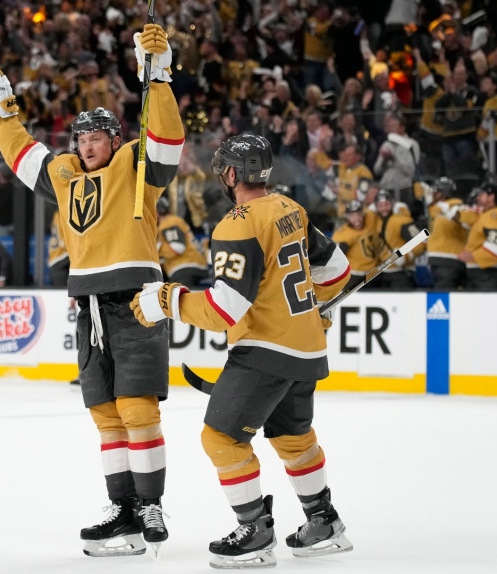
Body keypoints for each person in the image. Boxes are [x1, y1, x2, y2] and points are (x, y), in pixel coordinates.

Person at [0, 23, 182, 557]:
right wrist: (2, 110)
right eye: (81, 139)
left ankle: (152, 504)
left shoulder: (137, 166)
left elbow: (167, 139)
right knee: (105, 414)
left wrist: (156, 77)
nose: (87, 146)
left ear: (115, 139)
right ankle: (125, 511)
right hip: (88, 305)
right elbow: (21, 154)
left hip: (137, 300)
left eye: (97, 138)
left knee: (137, 407)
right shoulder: (64, 173)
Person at [130, 134, 353, 569]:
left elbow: (224, 310)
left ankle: (255, 531)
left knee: (221, 438)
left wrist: (166, 301)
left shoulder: (237, 223)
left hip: (263, 350)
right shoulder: (292, 210)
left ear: (231, 174)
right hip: (305, 349)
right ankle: (323, 521)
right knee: (293, 438)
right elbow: (337, 270)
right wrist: (311, 310)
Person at [459, 184, 497, 291]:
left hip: (490, 273)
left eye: (482, 194)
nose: (478, 197)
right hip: (485, 274)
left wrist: (474, 256)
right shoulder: (486, 215)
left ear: (491, 197)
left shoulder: (495, 215)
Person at [425, 178, 471, 290]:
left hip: (449, 261)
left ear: (443, 193)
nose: (432, 195)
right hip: (441, 260)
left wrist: (453, 214)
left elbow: (469, 223)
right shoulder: (436, 211)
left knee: (443, 299)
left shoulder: (457, 208)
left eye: (435, 192)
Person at [372, 190, 422, 290]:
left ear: (392, 204)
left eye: (386, 204)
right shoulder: (375, 222)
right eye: (380, 205)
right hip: (382, 274)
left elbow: (421, 242)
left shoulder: (402, 221)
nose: (384, 208)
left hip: (402, 273)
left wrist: (405, 256)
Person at [156, 196, 208, 288]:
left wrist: (156, 248)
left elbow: (178, 247)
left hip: (184, 268)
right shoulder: (174, 220)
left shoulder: (168, 222)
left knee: (180, 300)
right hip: (194, 265)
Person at [332, 201, 380, 291]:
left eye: (359, 215)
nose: (357, 219)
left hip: (375, 273)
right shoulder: (344, 234)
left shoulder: (370, 219)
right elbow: (336, 258)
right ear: (347, 217)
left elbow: (373, 210)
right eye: (352, 216)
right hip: (356, 277)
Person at [47, 210, 69, 288]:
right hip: (61, 261)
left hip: (56, 260)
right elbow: (64, 242)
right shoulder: (63, 213)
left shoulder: (57, 214)